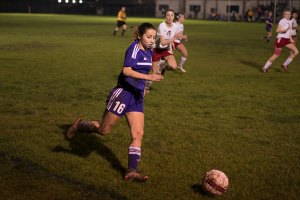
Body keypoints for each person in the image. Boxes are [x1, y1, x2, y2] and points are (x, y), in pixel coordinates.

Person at [67, 23, 164, 182]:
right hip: (123, 93)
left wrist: (145, 86)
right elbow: (127, 71)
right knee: (103, 131)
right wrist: (149, 78)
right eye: (149, 37)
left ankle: (131, 171)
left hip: (136, 97)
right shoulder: (133, 49)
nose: (152, 40)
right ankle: (80, 125)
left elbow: (144, 71)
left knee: (138, 134)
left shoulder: (149, 51)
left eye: (154, 37)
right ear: (140, 36)